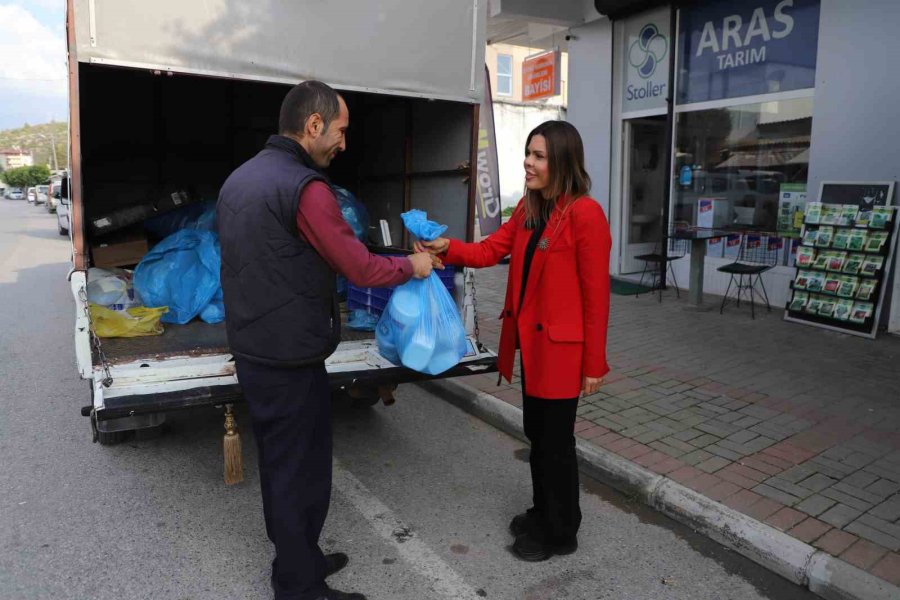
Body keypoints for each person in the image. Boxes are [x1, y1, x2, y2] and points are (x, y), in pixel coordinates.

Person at [217, 80, 435, 600]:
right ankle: (300, 587)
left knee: (283, 464)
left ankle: (301, 557)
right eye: (340, 131)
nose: (343, 143)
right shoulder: (305, 188)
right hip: (289, 356)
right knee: (300, 471)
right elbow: (357, 265)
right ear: (313, 126)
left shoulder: (239, 179)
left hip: (255, 347)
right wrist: (413, 264)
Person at [417, 120, 611, 562]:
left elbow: (597, 298)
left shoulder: (585, 214)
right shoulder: (529, 209)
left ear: (561, 161)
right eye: (528, 152)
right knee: (537, 434)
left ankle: (562, 532)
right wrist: (447, 246)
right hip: (533, 345)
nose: (528, 161)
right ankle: (544, 512)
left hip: (563, 352)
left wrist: (594, 364)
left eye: (538, 155)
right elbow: (489, 250)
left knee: (556, 443)